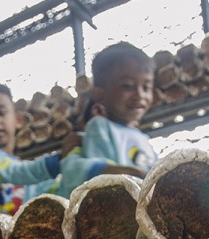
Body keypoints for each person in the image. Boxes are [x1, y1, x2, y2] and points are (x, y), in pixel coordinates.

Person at [59, 41, 157, 195]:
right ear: (100, 93)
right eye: (128, 86)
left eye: (146, 87)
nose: (140, 95)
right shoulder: (100, 127)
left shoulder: (142, 139)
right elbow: (101, 182)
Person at [0, 83, 65, 217]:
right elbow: (15, 172)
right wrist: (61, 160)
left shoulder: (27, 176)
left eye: (1, 112)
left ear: (18, 119)